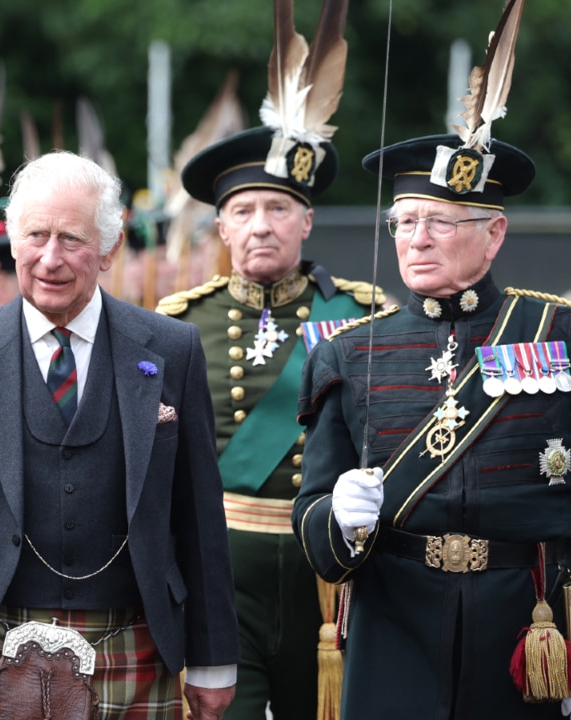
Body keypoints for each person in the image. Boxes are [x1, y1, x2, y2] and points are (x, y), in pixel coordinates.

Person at [292, 126, 571, 719]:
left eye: (440, 222)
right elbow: (314, 519)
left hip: (533, 626)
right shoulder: (347, 353)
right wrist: (336, 517)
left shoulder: (564, 334)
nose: (416, 239)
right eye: (404, 222)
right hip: (395, 633)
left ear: (493, 234)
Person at [0, 151, 240, 720]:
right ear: (13, 242)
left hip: (134, 636)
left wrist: (214, 659)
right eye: (35, 235)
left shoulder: (171, 349)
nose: (50, 258)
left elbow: (198, 516)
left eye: (72, 238)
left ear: (111, 249)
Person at [157, 120, 378, 717]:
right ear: (221, 226)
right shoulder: (178, 325)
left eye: (279, 207)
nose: (261, 225)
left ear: (305, 222)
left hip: (327, 572)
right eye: (244, 209)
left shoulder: (365, 317)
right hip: (221, 575)